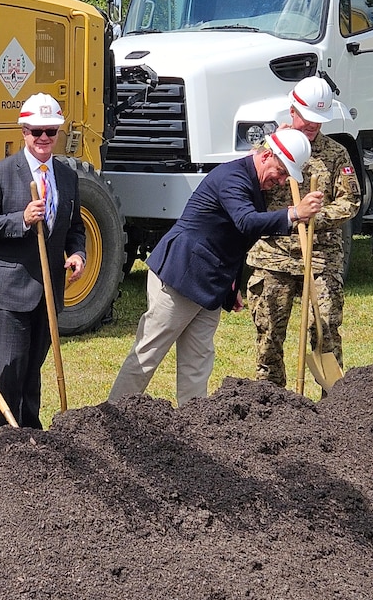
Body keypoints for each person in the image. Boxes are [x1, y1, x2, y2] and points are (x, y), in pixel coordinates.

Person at [107, 128, 324, 407]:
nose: (281, 181)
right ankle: (112, 414)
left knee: (198, 358)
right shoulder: (232, 177)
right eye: (281, 172)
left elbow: (235, 240)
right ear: (267, 155)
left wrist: (232, 287)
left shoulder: (253, 183)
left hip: (211, 283)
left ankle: (195, 421)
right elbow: (246, 222)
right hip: (181, 274)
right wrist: (294, 213)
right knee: (149, 350)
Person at [0, 93, 86, 429]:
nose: (43, 138)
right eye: (36, 131)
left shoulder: (67, 177)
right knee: (12, 367)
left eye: (51, 131)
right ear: (23, 131)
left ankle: (32, 432)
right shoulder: (1, 173)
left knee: (33, 366)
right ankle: (8, 438)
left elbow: (74, 227)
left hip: (49, 290)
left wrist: (78, 253)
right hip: (11, 290)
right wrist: (20, 219)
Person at [247, 77, 362, 387]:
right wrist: (288, 217)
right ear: (293, 110)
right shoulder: (268, 148)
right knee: (269, 333)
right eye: (308, 118)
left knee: (324, 330)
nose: (313, 126)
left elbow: (351, 201)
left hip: (320, 255)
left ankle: (332, 403)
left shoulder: (336, 154)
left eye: (319, 121)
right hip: (275, 255)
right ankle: (271, 404)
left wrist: (314, 217)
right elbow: (250, 187)